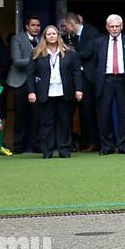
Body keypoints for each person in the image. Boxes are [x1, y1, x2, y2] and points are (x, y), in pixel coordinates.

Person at [26, 25, 84, 159]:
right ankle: (47, 151)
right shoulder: (37, 52)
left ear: (58, 36)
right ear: (44, 37)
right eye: (48, 34)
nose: (51, 36)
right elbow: (30, 74)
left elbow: (77, 73)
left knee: (64, 122)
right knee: (47, 123)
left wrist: (79, 89)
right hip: (44, 92)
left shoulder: (70, 52)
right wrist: (31, 92)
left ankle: (64, 150)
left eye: (54, 34)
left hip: (64, 92)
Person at [86, 14, 125, 155]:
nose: (115, 29)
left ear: (121, 27)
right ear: (107, 27)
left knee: (123, 114)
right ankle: (107, 146)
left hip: (123, 80)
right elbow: (95, 63)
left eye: (117, 26)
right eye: (112, 26)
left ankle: (123, 145)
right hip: (105, 80)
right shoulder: (99, 42)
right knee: (104, 114)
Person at [61, 12, 101, 151]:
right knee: (83, 111)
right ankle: (86, 141)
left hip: (90, 78)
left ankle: (94, 141)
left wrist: (68, 55)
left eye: (66, 26)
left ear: (72, 24)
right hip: (79, 78)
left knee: (89, 110)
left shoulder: (91, 32)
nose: (66, 29)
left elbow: (88, 52)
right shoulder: (73, 37)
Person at [6, 15, 42, 154]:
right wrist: (37, 60)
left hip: (36, 81)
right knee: (20, 115)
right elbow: (17, 61)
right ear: (27, 26)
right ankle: (19, 146)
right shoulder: (17, 38)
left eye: (38, 25)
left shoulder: (42, 39)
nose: (36, 28)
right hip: (19, 81)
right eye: (33, 25)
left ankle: (37, 145)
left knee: (36, 115)